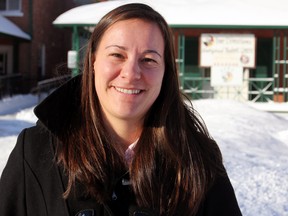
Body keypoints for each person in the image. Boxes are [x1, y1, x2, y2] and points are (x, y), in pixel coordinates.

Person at [0, 3, 242, 216]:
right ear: (93, 61)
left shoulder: (198, 158)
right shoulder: (33, 151)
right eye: (117, 55)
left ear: (166, 71)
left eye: (148, 60)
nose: (131, 73)